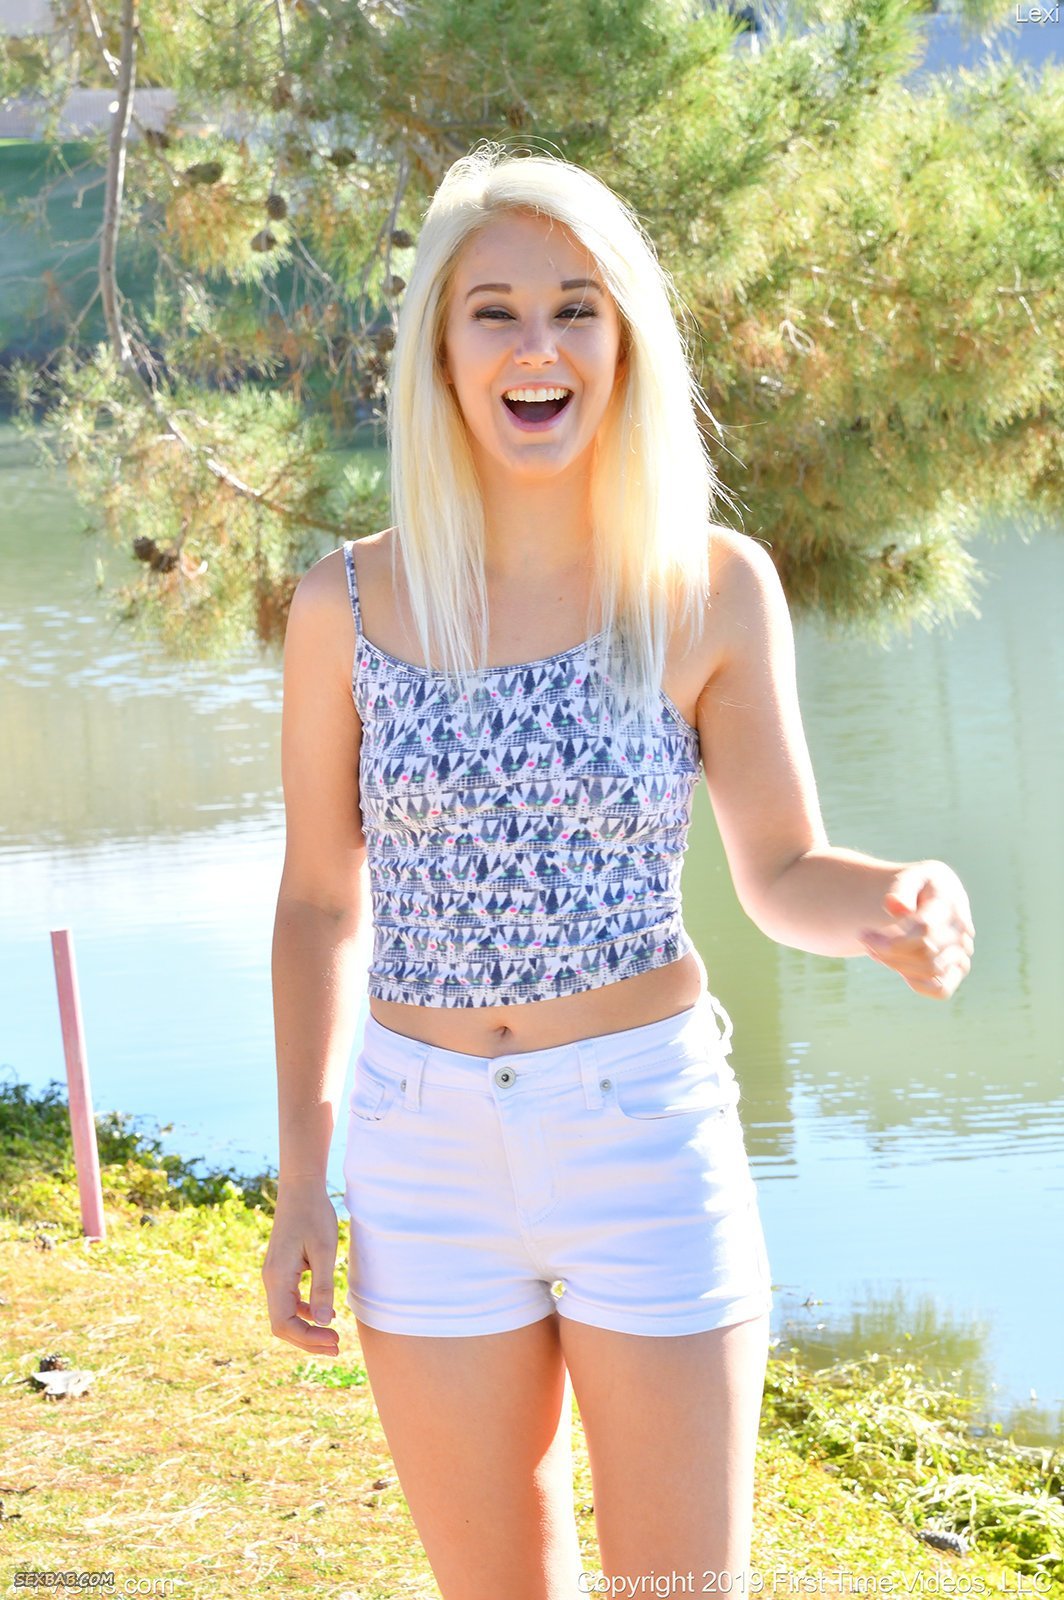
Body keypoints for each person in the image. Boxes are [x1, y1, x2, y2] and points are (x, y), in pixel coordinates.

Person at [261, 143, 975, 1600]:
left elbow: (782, 868)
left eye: (575, 310)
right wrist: (301, 1176)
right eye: (497, 313)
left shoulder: (706, 587)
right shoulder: (346, 603)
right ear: (441, 353)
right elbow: (321, 901)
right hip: (419, 1148)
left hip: (642, 1134)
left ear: (625, 341)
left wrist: (898, 900)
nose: (539, 347)